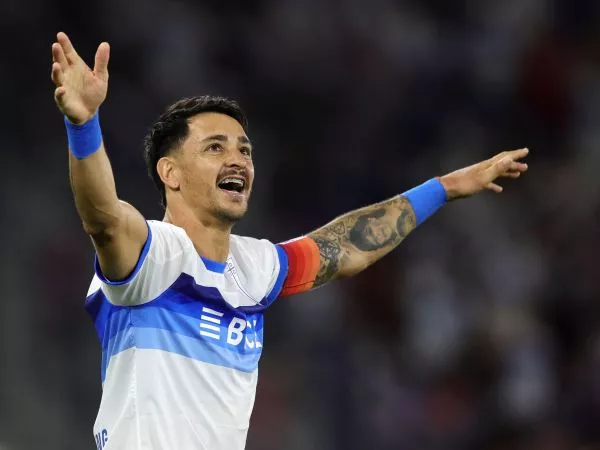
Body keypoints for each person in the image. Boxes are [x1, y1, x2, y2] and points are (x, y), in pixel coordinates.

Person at [50, 32, 529, 450]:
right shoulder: (154, 254)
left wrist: (443, 188)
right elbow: (103, 217)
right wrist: (83, 125)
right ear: (170, 173)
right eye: (215, 147)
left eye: (244, 150)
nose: (237, 160)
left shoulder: (255, 267)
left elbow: (348, 247)